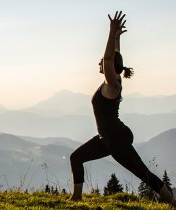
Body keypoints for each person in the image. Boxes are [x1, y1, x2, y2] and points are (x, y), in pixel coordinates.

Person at [69, 11, 176, 206]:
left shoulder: (113, 86)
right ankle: (76, 197)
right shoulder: (115, 79)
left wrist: (110, 32)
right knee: (76, 157)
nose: (100, 62)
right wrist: (117, 37)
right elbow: (114, 58)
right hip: (106, 139)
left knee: (142, 172)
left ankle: (172, 201)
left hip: (117, 139)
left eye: (102, 62)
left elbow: (110, 59)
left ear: (110, 67)